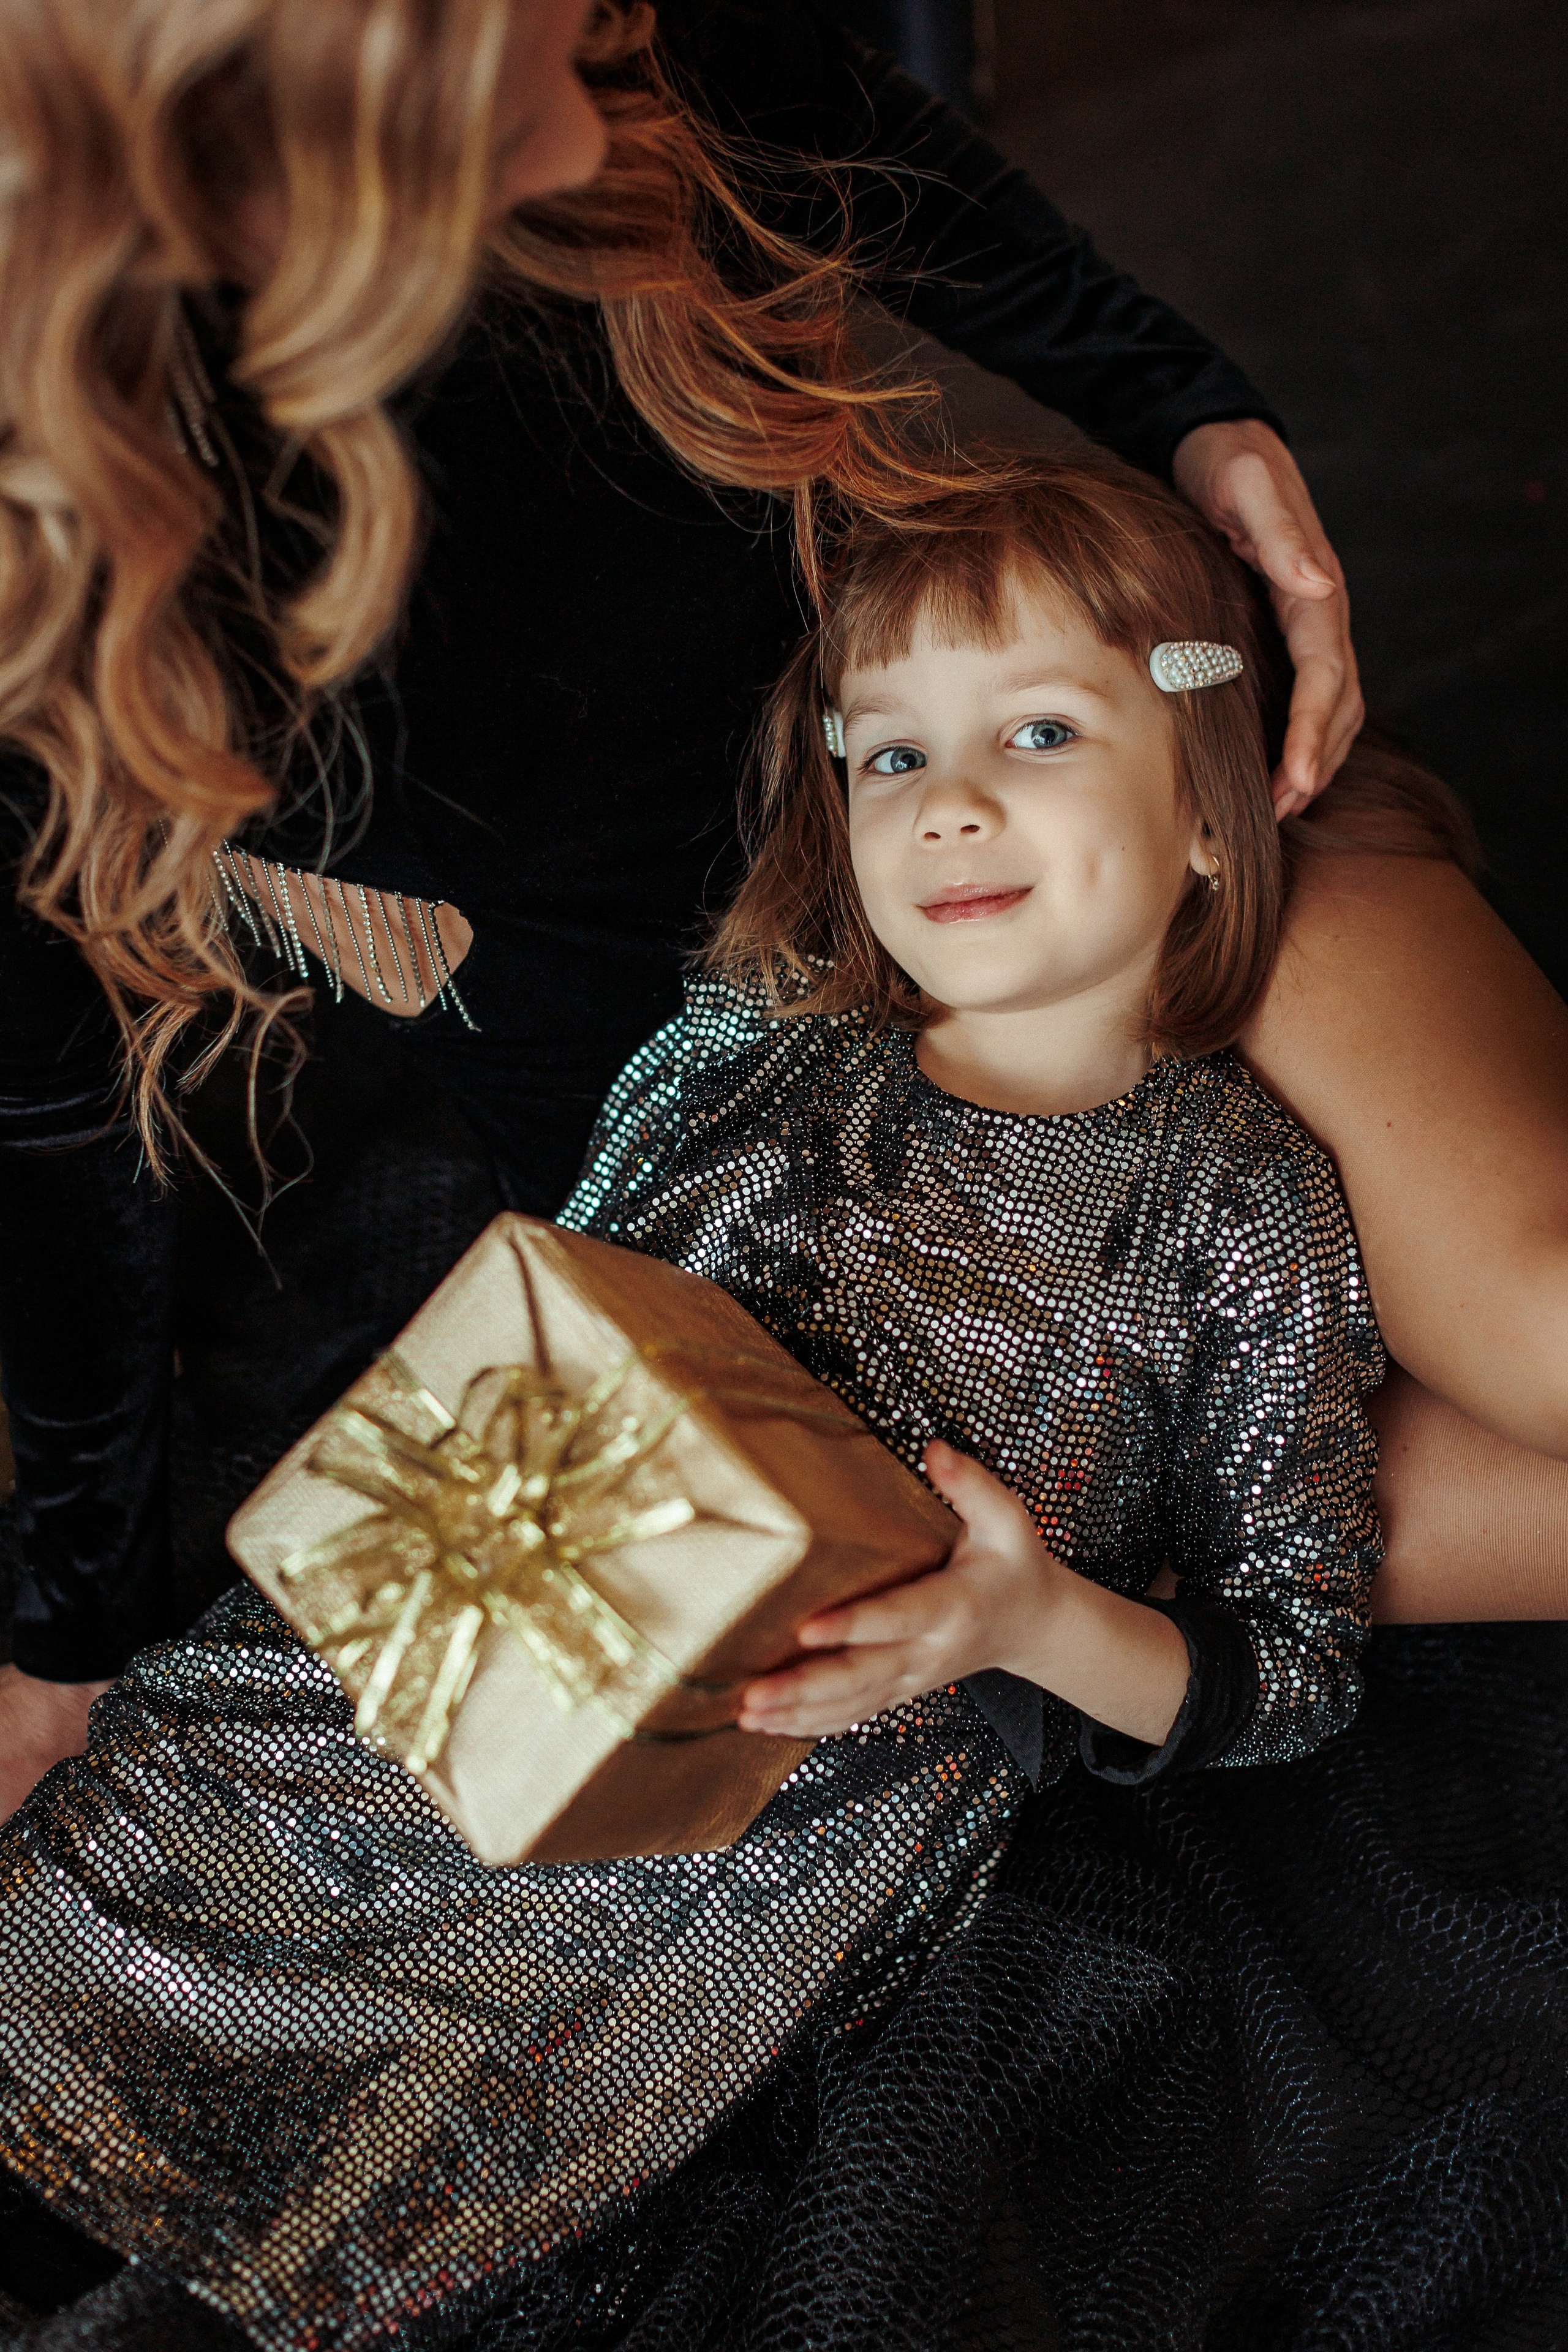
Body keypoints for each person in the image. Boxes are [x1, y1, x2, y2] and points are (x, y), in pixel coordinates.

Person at [1, 454, 1418, 2349]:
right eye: (891, 757)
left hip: (713, 1863)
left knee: (373, 2163)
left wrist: (1029, 1619)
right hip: (422, 1663)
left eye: (1043, 729)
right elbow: (567, 1323)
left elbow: (1296, 1666)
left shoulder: (1237, 1207)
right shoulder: (749, 1050)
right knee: (100, 1898)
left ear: (1218, 816)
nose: (953, 804)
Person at [0, 0, 1377, 1819]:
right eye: (550, 79)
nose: (603, 132)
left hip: (1069, 856)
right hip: (639, 1012)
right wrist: (64, 1623)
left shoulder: (1177, 977)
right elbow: (63, 1078)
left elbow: (848, 137)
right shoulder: (688, 1094)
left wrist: (1200, 420)